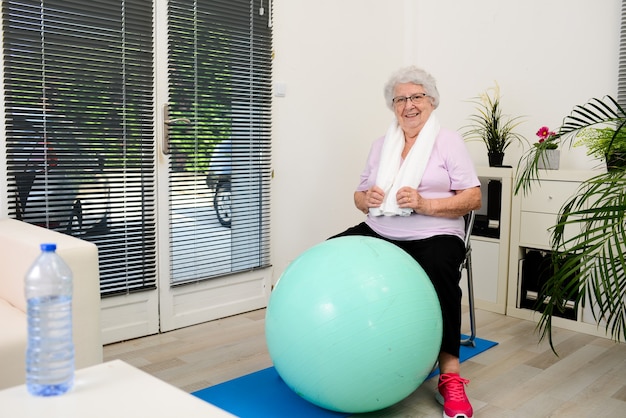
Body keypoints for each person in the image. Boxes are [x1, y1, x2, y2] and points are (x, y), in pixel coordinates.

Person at [330, 66, 481, 418]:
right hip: (382, 229)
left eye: (416, 97)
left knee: (442, 274)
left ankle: (450, 376)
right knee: (331, 254)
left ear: (431, 101)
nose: (409, 105)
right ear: (392, 106)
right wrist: (365, 199)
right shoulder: (381, 145)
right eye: (400, 99)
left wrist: (425, 203)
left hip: (435, 232)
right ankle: (345, 349)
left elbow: (473, 198)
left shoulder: (448, 142)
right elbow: (360, 193)